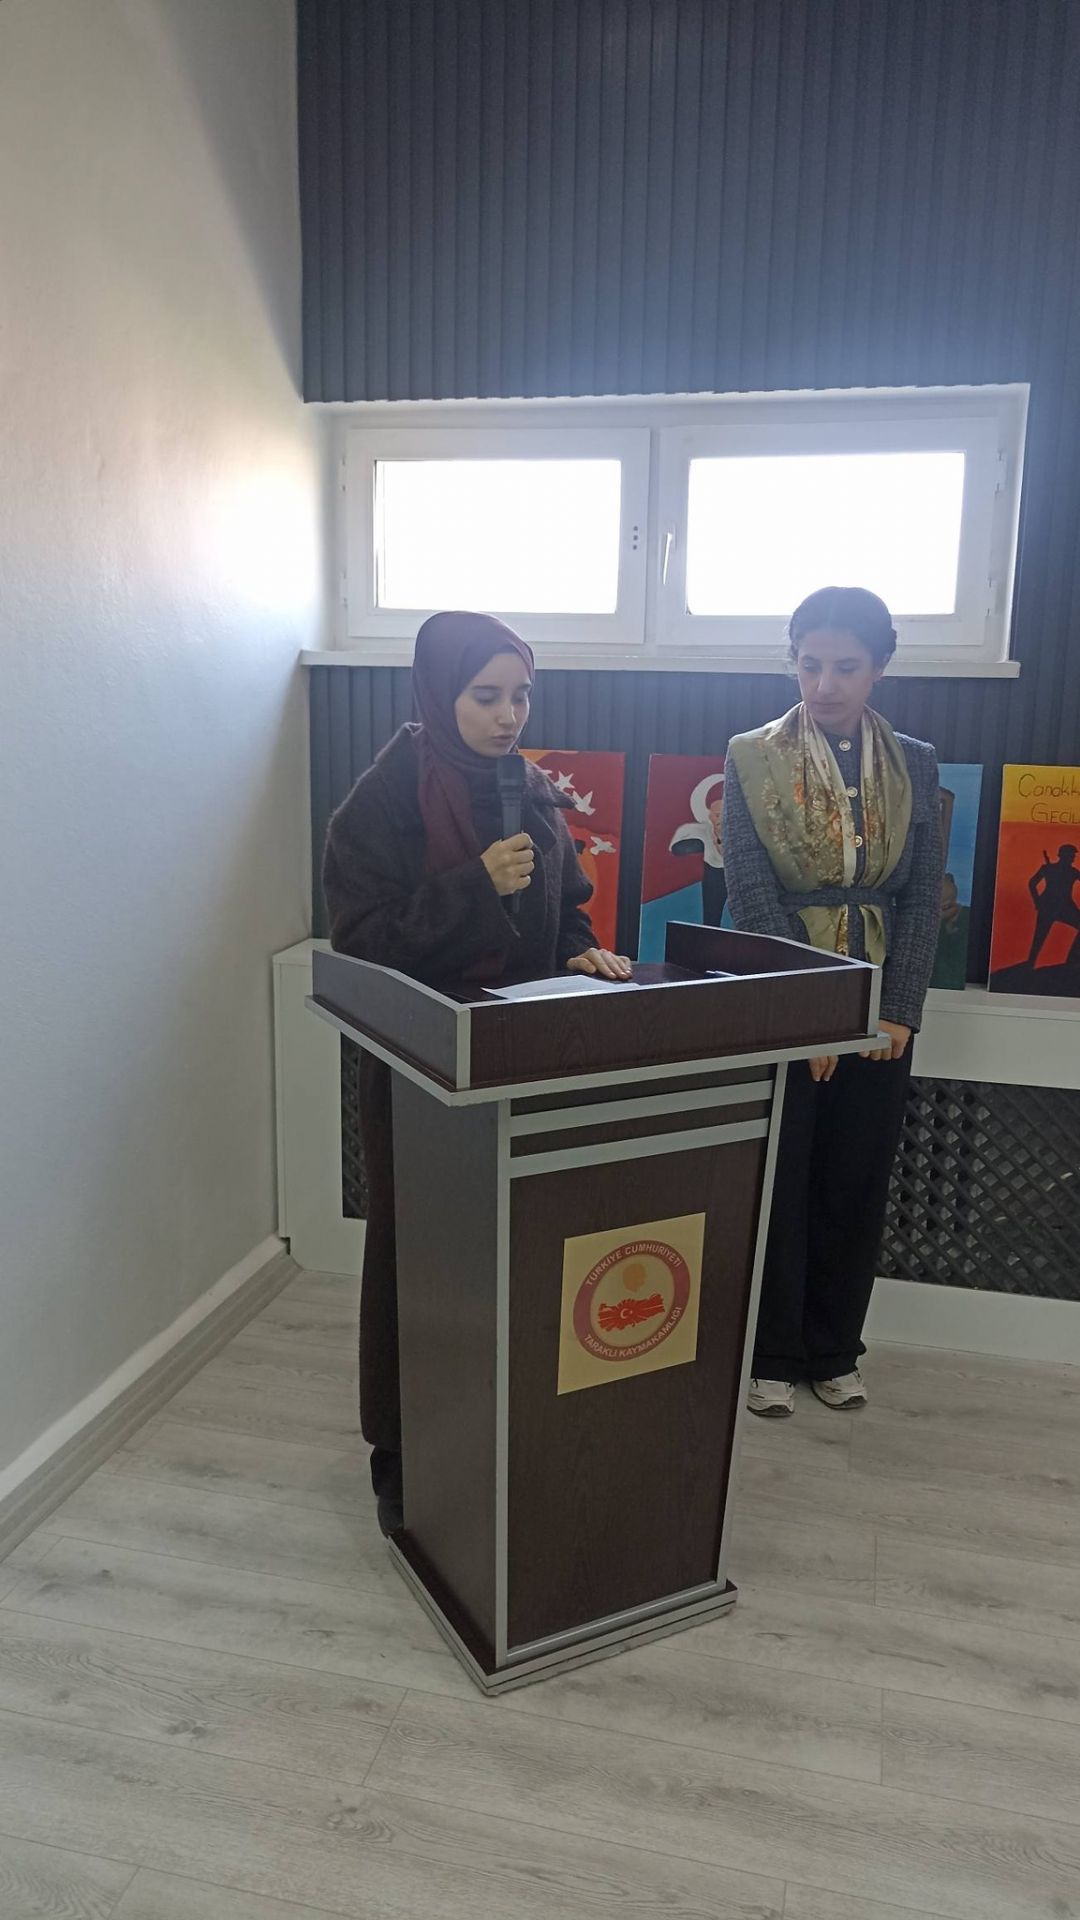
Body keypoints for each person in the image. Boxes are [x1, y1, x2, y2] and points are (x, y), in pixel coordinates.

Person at [322, 611, 632, 1533]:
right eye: (485, 695)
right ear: (438, 693)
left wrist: (580, 951)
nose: (507, 716)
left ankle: (503, 1427)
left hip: (519, 1058)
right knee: (419, 1254)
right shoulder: (381, 802)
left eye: (521, 696)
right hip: (419, 1067)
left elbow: (566, 907)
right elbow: (361, 942)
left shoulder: (528, 788)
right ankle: (403, 1454)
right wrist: (474, 887)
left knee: (515, 1250)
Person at [723, 586, 943, 1418]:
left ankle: (834, 1349)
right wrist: (808, 1014)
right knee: (781, 1177)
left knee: (857, 1178)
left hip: (882, 1002)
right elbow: (752, 895)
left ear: (879, 668)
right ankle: (770, 1352)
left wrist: (900, 1010)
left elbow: (921, 896)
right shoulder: (750, 756)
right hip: (787, 1001)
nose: (825, 685)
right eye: (809, 664)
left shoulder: (915, 762)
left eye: (846, 667)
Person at [1027, 845, 1080, 965]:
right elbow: (1032, 883)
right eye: (1071, 855)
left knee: (1039, 936)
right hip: (1051, 906)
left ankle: (1072, 960)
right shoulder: (1052, 869)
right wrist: (1037, 901)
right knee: (1039, 936)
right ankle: (1031, 962)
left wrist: (1038, 901)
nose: (1073, 858)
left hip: (1060, 906)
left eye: (1073, 856)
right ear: (1064, 856)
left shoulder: (1069, 871)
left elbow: (1032, 883)